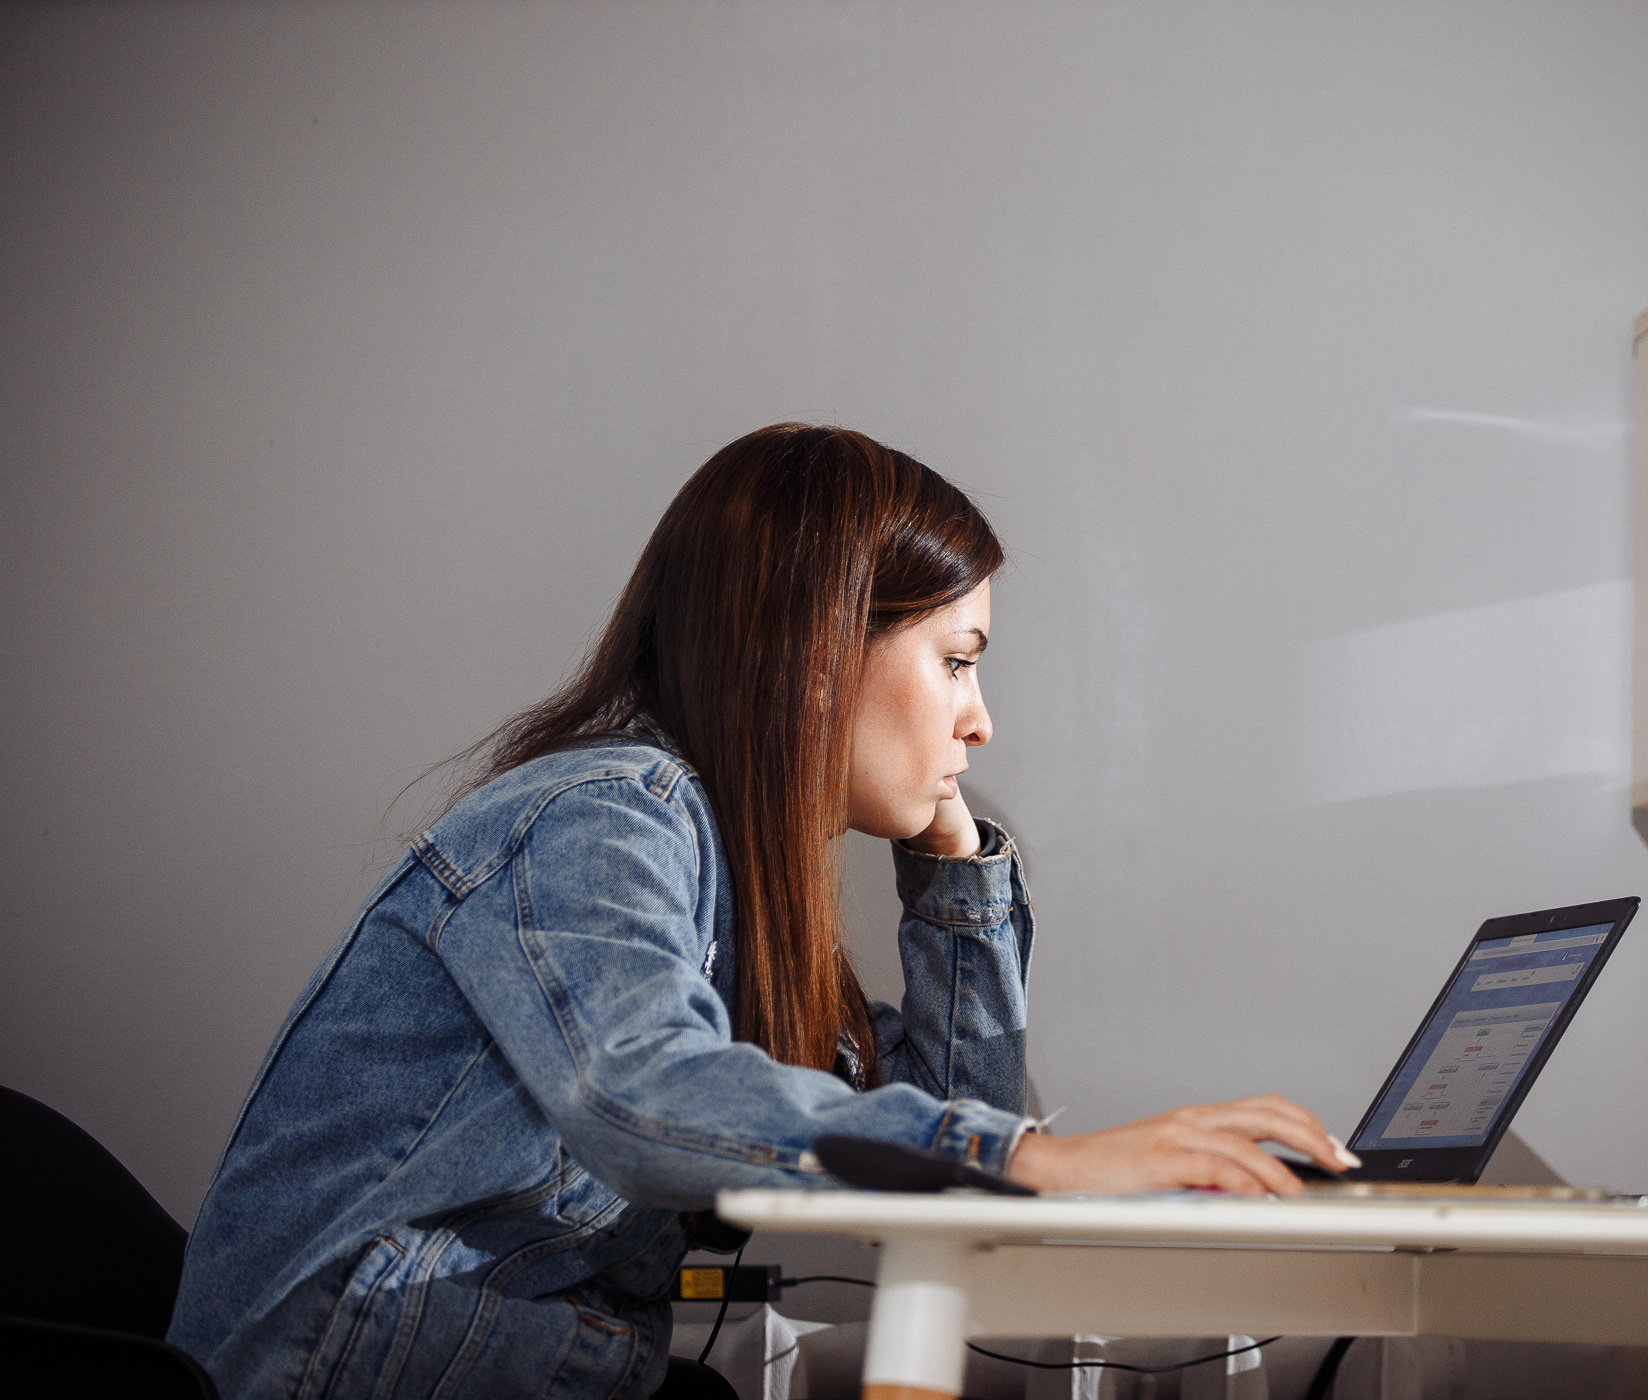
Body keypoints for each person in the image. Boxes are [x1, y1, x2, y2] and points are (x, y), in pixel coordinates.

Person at [169, 424, 1354, 1400]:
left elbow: (958, 1138)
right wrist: (1037, 1159)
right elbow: (645, 1092)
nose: (981, 718)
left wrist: (954, 870)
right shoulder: (603, 813)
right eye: (956, 659)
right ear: (820, 646)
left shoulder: (724, 871)